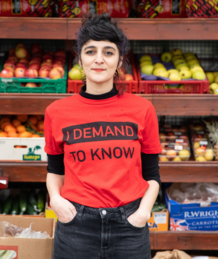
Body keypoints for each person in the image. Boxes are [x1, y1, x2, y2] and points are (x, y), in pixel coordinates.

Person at [44, 13, 161, 259]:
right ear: (79, 59)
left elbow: (152, 174)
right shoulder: (56, 112)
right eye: (90, 51)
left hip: (128, 225)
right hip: (76, 224)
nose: (99, 60)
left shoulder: (142, 109)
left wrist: (142, 214)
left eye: (108, 52)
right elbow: (55, 170)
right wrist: (56, 200)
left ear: (120, 61)